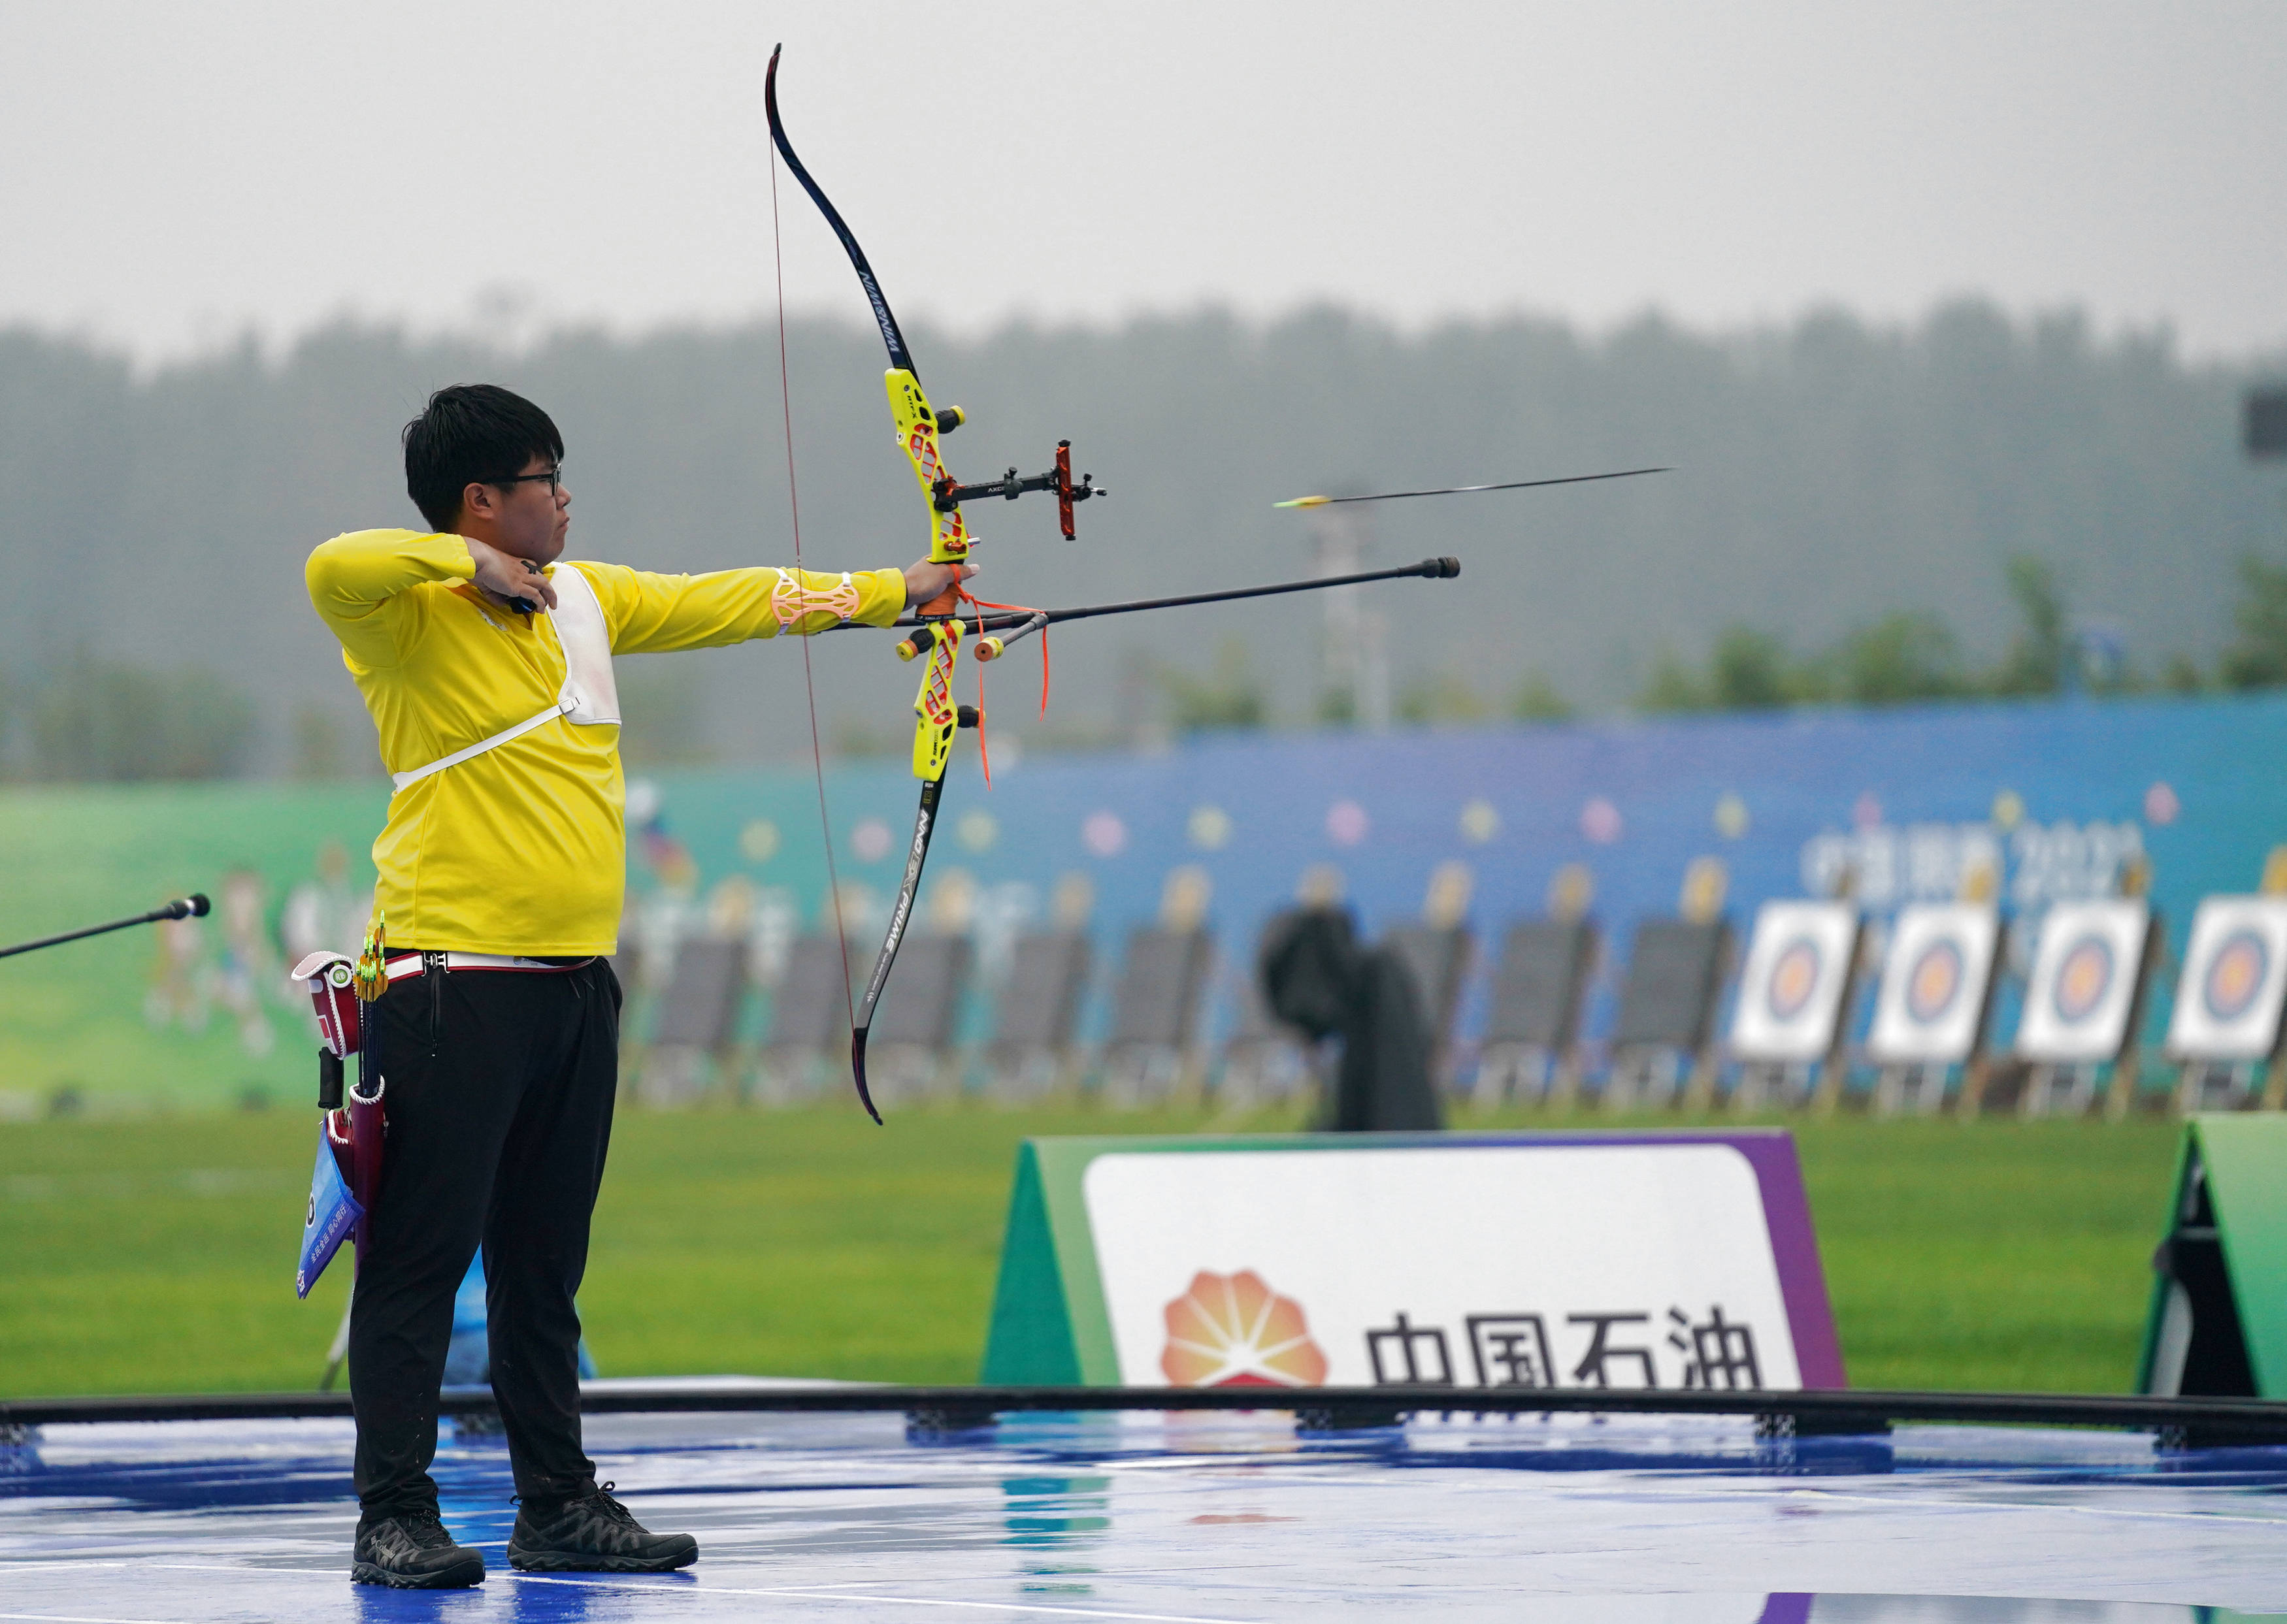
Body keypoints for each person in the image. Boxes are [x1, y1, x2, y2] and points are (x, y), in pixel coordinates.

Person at [306, 383, 969, 1589]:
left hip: (571, 993)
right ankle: (390, 1517)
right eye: (545, 478)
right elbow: (330, 560)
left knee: (544, 1268)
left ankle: (554, 1503)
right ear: (482, 501)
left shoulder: (590, 600)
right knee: (415, 1262)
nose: (565, 498)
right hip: (449, 987)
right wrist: (474, 568)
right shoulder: (404, 615)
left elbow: (735, 601)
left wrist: (899, 592)